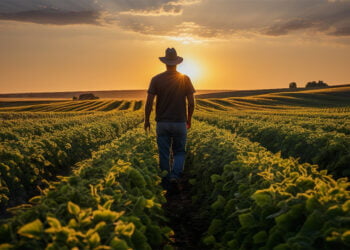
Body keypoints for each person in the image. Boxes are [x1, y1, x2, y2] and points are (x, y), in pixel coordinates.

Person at [144, 48, 195, 191]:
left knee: (164, 153)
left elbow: (149, 103)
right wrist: (188, 119)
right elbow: (191, 103)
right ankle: (175, 176)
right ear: (177, 63)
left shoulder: (156, 79)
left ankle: (165, 180)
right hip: (180, 122)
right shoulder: (185, 79)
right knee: (179, 152)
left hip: (162, 122)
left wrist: (146, 120)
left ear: (165, 63)